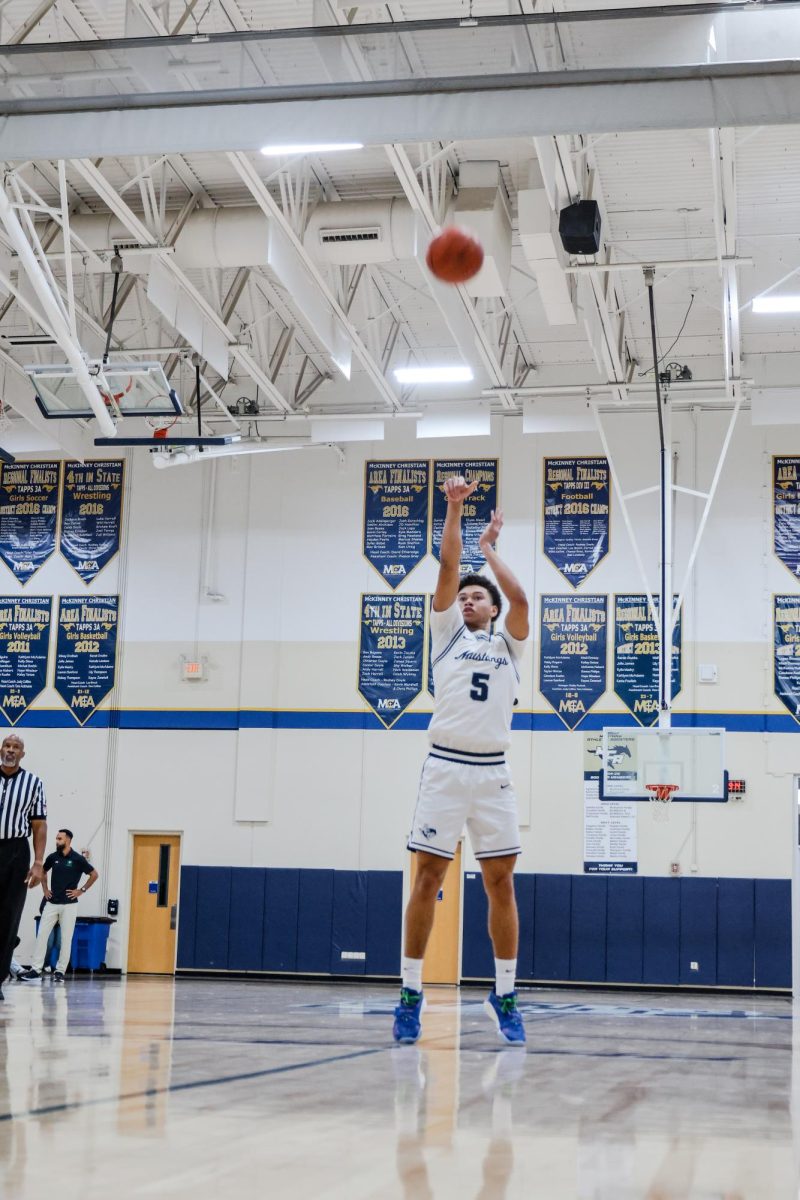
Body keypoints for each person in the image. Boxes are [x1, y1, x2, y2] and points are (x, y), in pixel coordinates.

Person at [394, 476, 530, 1046]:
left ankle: (504, 995)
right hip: (445, 766)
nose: (470, 598)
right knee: (428, 877)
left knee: (501, 883)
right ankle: (409, 994)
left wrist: (490, 550)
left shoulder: (511, 644)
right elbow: (448, 569)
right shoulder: (447, 633)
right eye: (466, 596)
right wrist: (453, 510)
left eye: (480, 596)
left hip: (492, 771)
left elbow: (521, 600)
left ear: (493, 610)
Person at [0, 734, 47, 1001]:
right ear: (0, 750)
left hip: (16, 852)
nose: (10, 750)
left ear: (22, 754)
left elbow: (39, 825)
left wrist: (38, 862)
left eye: (15, 747)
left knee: (8, 918)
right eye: (7, 746)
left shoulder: (33, 783)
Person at [20, 829, 98, 983]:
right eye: (56, 838)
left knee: (66, 939)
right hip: (52, 903)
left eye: (59, 839)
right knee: (42, 935)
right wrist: (45, 889)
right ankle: (36, 969)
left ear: (68, 840)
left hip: (69, 905)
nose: (57, 841)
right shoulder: (52, 857)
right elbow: (42, 871)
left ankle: (60, 972)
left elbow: (94, 874)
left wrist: (81, 890)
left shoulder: (78, 859)